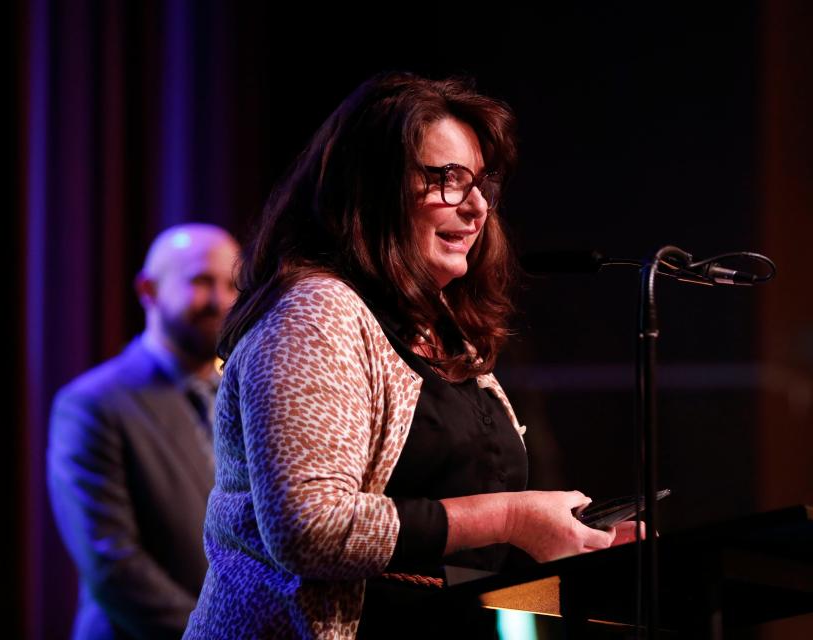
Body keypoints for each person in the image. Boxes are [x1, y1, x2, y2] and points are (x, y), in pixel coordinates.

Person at [183, 72, 635, 639]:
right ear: (372, 189)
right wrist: (514, 516)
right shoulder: (315, 311)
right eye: (447, 178)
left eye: (480, 185)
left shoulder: (447, 335)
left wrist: (578, 543)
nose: (475, 208)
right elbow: (308, 529)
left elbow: (449, 557)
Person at [47, 223, 240, 639]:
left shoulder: (244, 394)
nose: (221, 301)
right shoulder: (92, 404)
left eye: (231, 284)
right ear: (149, 291)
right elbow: (113, 565)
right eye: (201, 282)